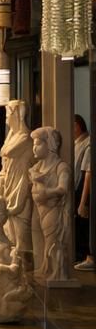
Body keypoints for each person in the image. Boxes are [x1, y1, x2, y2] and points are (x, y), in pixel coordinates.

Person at [75, 116, 92, 270]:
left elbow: (87, 174)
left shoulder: (88, 144)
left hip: (84, 190)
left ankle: (87, 256)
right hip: (79, 188)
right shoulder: (78, 143)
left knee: (84, 225)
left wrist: (82, 201)